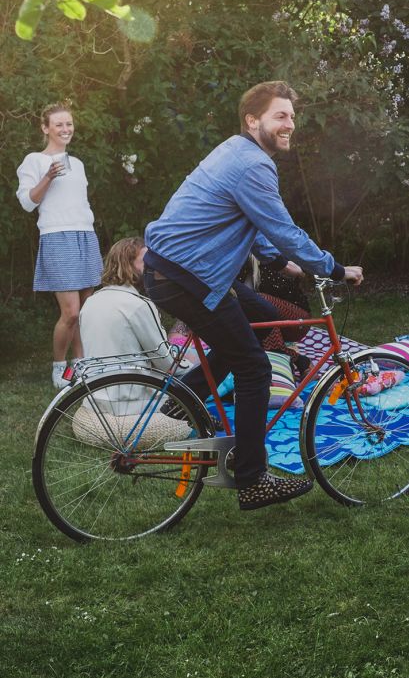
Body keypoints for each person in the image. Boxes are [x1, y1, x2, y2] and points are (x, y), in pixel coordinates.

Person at [142, 81, 364, 512]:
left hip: (181, 272)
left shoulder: (236, 152)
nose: (289, 125)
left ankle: (181, 401)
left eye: (292, 117)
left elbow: (258, 232)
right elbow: (282, 230)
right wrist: (334, 269)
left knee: (262, 316)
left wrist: (289, 266)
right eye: (280, 116)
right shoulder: (253, 165)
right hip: (187, 278)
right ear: (252, 120)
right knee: (254, 368)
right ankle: (251, 477)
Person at [16, 102, 103, 389]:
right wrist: (49, 176)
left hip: (84, 235)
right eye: (58, 125)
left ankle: (81, 365)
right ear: (46, 128)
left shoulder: (77, 163)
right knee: (71, 312)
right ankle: (59, 368)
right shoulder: (34, 161)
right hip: (56, 236)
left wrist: (88, 227)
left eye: (69, 124)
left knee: (87, 310)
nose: (65, 129)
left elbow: (81, 201)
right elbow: (28, 203)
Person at [73, 237, 191, 443]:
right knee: (203, 370)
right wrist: (191, 364)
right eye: (146, 263)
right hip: (131, 401)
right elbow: (167, 363)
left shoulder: (90, 302)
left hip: (97, 397)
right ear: (128, 265)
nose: (152, 269)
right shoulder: (138, 305)